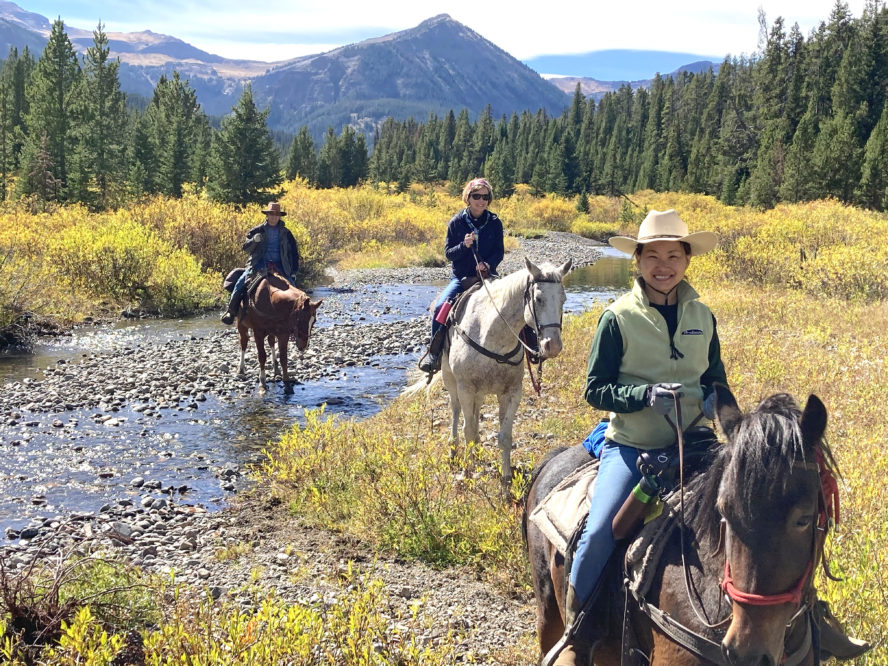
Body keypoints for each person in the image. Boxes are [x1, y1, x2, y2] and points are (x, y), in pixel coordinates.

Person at [552, 209, 868, 664]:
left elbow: (716, 379)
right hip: (634, 446)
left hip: (698, 442)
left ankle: (806, 618)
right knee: (600, 532)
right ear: (637, 260)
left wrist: (716, 406)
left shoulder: (702, 314)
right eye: (654, 256)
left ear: (686, 260)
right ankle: (578, 637)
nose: (664, 265)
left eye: (674, 255)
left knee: (767, 517)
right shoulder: (616, 318)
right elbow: (594, 388)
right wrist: (642, 394)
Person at [418, 178, 504, 373]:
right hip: (462, 278)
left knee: (512, 301)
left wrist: (488, 264)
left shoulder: (495, 222)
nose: (481, 201)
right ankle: (434, 354)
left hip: (488, 275)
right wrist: (463, 246)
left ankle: (530, 349)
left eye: (485, 197)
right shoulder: (456, 223)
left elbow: (499, 251)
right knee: (441, 307)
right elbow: (449, 253)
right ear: (468, 197)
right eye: (476, 196)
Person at [221, 202, 300, 325]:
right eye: (271, 214)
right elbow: (246, 249)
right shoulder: (256, 230)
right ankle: (231, 311)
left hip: (281, 265)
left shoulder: (287, 233)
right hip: (259, 264)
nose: (274, 217)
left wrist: (294, 271)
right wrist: (253, 240)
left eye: (276, 215)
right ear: (267, 215)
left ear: (279, 216)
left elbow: (294, 253)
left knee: (294, 289)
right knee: (241, 283)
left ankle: (296, 318)